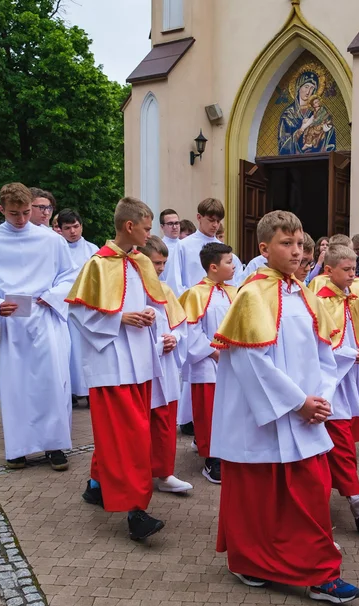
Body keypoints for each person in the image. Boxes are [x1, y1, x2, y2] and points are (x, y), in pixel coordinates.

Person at [211, 209, 359, 603]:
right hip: (266, 416)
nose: (297, 252)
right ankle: (251, 562)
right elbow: (250, 361)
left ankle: (319, 572)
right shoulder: (251, 294)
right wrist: (297, 402)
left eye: (299, 244)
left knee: (311, 491)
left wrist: (320, 397)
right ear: (264, 248)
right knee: (258, 497)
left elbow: (323, 352)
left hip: (306, 413)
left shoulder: (305, 293)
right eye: (286, 243)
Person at [67, 198, 182, 539]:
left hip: (140, 362)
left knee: (127, 433)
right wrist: (121, 318)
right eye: (147, 227)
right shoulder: (98, 265)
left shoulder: (140, 262)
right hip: (112, 364)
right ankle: (136, 512)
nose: (151, 233)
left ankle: (97, 485)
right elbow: (78, 313)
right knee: (129, 438)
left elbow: (152, 300)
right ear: (130, 226)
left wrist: (148, 316)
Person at [0, 182, 77, 471]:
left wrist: (51, 297)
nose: (22, 219)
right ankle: (18, 448)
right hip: (11, 322)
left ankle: (55, 446)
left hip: (45, 318)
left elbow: (69, 275)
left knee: (53, 382)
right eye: (14, 213)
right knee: (16, 387)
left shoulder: (51, 241)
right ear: (2, 209)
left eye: (27, 212)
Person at [313, 243, 359, 534]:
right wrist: (348, 354)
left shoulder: (352, 296)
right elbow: (318, 346)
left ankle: (352, 505)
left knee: (338, 445)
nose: (352, 274)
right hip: (327, 383)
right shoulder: (319, 300)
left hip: (346, 381)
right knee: (339, 444)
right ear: (329, 270)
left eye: (354, 269)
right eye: (346, 270)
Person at [178, 242, 237, 484]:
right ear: (213, 267)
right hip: (208, 363)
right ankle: (212, 459)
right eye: (229, 262)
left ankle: (225, 448)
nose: (234, 266)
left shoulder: (234, 292)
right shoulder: (196, 294)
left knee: (228, 410)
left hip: (231, 362)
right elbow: (191, 330)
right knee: (208, 411)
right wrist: (213, 352)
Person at [140, 236, 193, 494]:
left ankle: (164, 472)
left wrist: (176, 337)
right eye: (155, 263)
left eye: (163, 263)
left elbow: (180, 325)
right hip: (141, 368)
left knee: (164, 420)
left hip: (166, 366)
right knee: (138, 424)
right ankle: (136, 474)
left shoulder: (166, 291)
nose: (160, 269)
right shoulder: (133, 291)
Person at [56, 209, 99, 406]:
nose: (72, 231)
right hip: (64, 308)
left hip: (86, 307)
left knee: (87, 350)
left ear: (81, 226)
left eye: (76, 226)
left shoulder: (93, 250)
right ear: (61, 230)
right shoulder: (56, 249)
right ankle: (71, 391)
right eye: (67, 228)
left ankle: (90, 389)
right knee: (68, 349)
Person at [177, 198, 225, 290]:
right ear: (199, 217)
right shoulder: (183, 245)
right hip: (191, 301)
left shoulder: (222, 249)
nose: (215, 225)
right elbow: (176, 282)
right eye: (211, 220)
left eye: (218, 221)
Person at [158, 208, 185, 294]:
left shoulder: (185, 246)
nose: (175, 227)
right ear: (162, 227)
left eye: (177, 223)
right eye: (170, 224)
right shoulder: (158, 247)